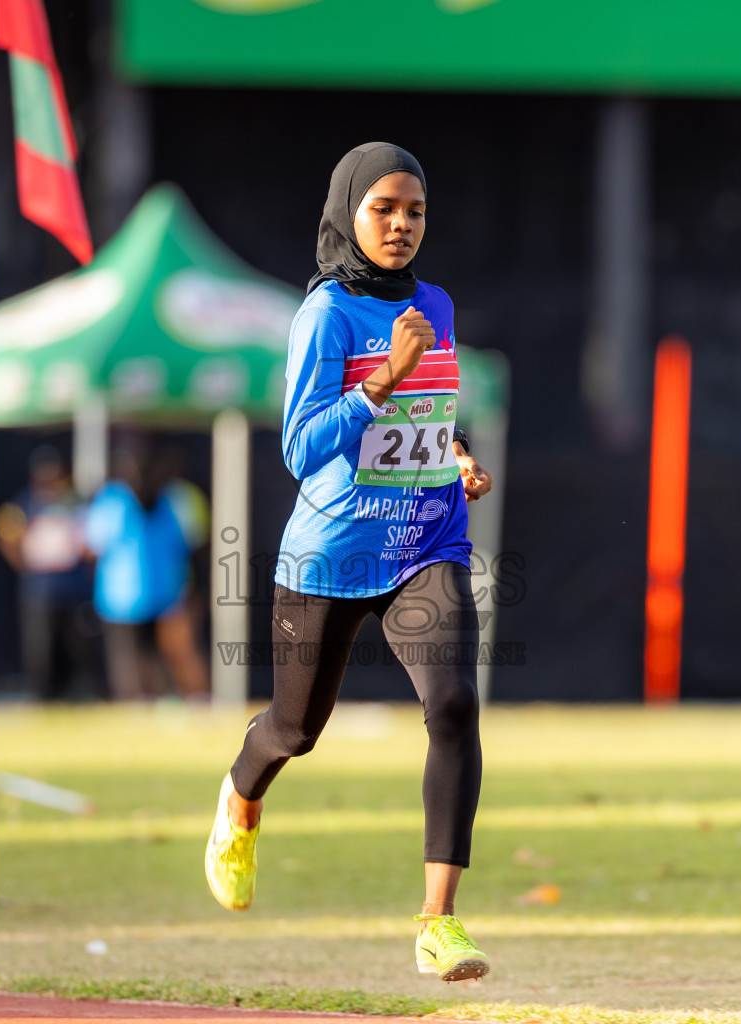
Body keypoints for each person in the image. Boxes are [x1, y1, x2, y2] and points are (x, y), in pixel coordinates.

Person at [201, 143, 497, 983]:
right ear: (349, 213)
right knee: (297, 729)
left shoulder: (435, 302)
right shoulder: (325, 315)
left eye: (416, 212)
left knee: (454, 705)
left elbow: (429, 410)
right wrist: (381, 380)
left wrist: (459, 452)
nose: (402, 225)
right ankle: (240, 799)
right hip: (330, 553)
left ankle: (439, 922)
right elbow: (301, 447)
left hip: (427, 540)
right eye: (384, 210)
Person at [85, 447, 210, 702]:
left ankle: (158, 703)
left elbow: (92, 546)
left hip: (142, 596)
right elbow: (195, 542)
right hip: (154, 594)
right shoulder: (176, 497)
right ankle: (151, 704)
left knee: (147, 661)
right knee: (141, 663)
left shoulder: (114, 500)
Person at [0, 448, 93, 702]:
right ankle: (44, 695)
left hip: (73, 589)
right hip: (39, 591)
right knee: (41, 648)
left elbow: (92, 540)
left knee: (74, 647)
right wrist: (23, 563)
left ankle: (75, 694)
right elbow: (4, 532)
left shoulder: (77, 502)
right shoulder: (25, 502)